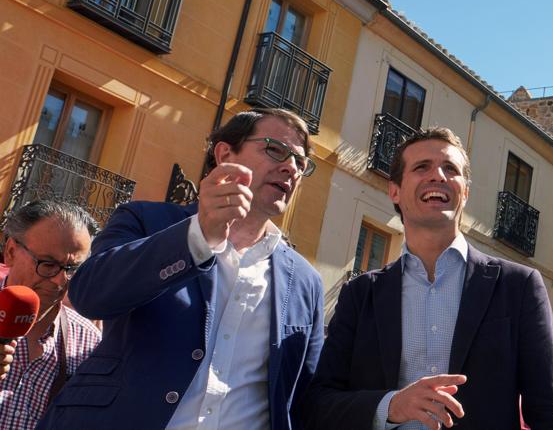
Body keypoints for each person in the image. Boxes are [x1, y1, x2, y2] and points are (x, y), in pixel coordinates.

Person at [37, 108, 325, 430]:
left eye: (301, 163)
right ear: (226, 153)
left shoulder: (306, 282)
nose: (291, 168)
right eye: (275, 149)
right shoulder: (146, 220)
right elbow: (89, 294)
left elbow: (304, 396)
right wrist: (199, 235)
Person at [301, 126, 553, 429]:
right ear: (395, 191)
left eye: (450, 168)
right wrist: (390, 405)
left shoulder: (518, 286)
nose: (438, 175)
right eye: (421, 167)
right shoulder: (360, 295)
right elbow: (319, 405)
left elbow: (547, 412)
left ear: (465, 192)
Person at [0, 200, 99, 430]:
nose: (59, 281)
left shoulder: (89, 342)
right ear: (11, 251)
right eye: (48, 264)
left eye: (72, 270)